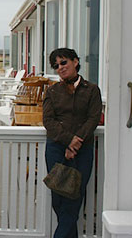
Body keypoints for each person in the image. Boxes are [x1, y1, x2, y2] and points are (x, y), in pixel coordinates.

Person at [43, 48, 102, 238]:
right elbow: (48, 121)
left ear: (75, 62)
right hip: (56, 148)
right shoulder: (52, 91)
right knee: (58, 199)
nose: (60, 68)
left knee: (74, 197)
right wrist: (69, 141)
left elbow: (93, 118)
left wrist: (76, 143)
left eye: (64, 63)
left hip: (82, 150)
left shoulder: (91, 90)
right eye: (56, 65)